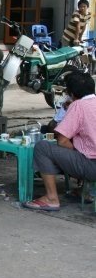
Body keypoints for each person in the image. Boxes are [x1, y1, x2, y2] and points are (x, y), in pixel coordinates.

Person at [24, 71, 96, 211]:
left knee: (42, 147)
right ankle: (85, 191)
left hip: (91, 166)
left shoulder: (78, 106)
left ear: (71, 93)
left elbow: (62, 141)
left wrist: (77, 153)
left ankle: (51, 198)